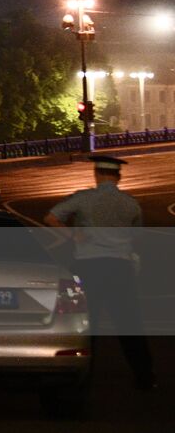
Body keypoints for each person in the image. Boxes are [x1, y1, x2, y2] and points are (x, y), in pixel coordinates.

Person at [44, 155, 155, 390]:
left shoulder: (84, 198)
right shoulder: (130, 203)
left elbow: (51, 217)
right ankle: (145, 378)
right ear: (118, 177)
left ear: (96, 174)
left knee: (84, 323)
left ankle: (80, 377)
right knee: (129, 324)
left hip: (87, 266)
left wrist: (74, 236)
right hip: (120, 268)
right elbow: (138, 236)